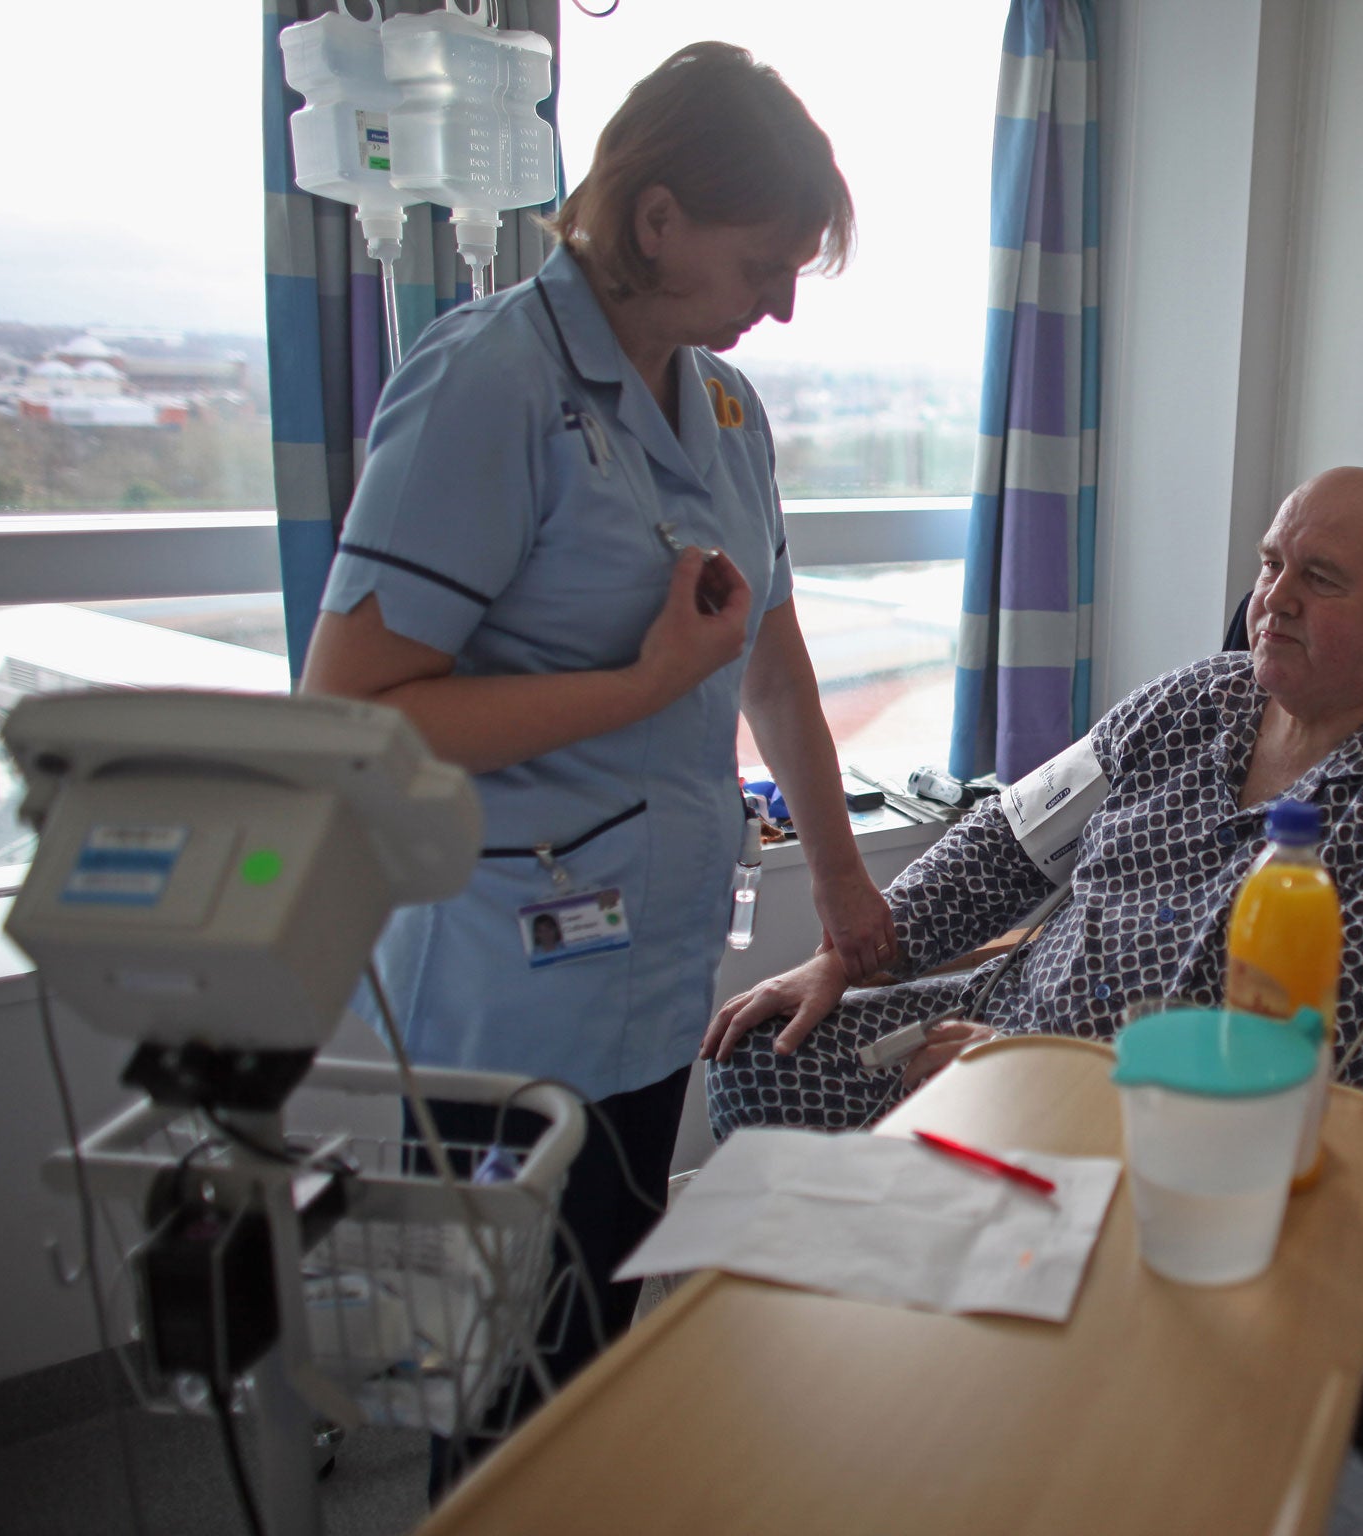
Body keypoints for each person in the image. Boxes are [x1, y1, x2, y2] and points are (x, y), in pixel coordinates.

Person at [301, 41, 895, 1474]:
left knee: (591, 1357)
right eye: (764, 262)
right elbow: (357, 710)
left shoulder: (725, 414)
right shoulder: (489, 379)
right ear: (657, 219)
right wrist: (636, 682)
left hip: (649, 975)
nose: (777, 303)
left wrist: (842, 883)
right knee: (499, 1381)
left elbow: (771, 658)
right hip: (507, 995)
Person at [704, 467, 1363, 1138]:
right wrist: (839, 962)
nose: (1275, 600)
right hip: (994, 1024)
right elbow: (1005, 847)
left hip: (1158, 1119)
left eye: (1320, 578)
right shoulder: (1195, 700)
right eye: (1271, 566)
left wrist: (1044, 1076)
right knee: (761, 1054)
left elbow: (1332, 1059)